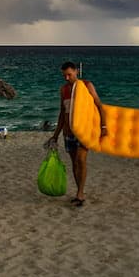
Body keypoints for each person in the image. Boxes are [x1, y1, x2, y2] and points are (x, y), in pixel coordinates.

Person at [47, 61, 106, 207]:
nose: (67, 78)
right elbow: (62, 113)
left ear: (76, 72)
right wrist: (55, 135)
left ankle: (80, 193)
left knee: (81, 160)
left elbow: (99, 104)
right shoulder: (64, 89)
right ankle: (79, 192)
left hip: (83, 131)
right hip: (68, 132)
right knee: (74, 162)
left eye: (69, 75)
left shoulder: (87, 86)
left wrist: (103, 125)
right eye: (64, 75)